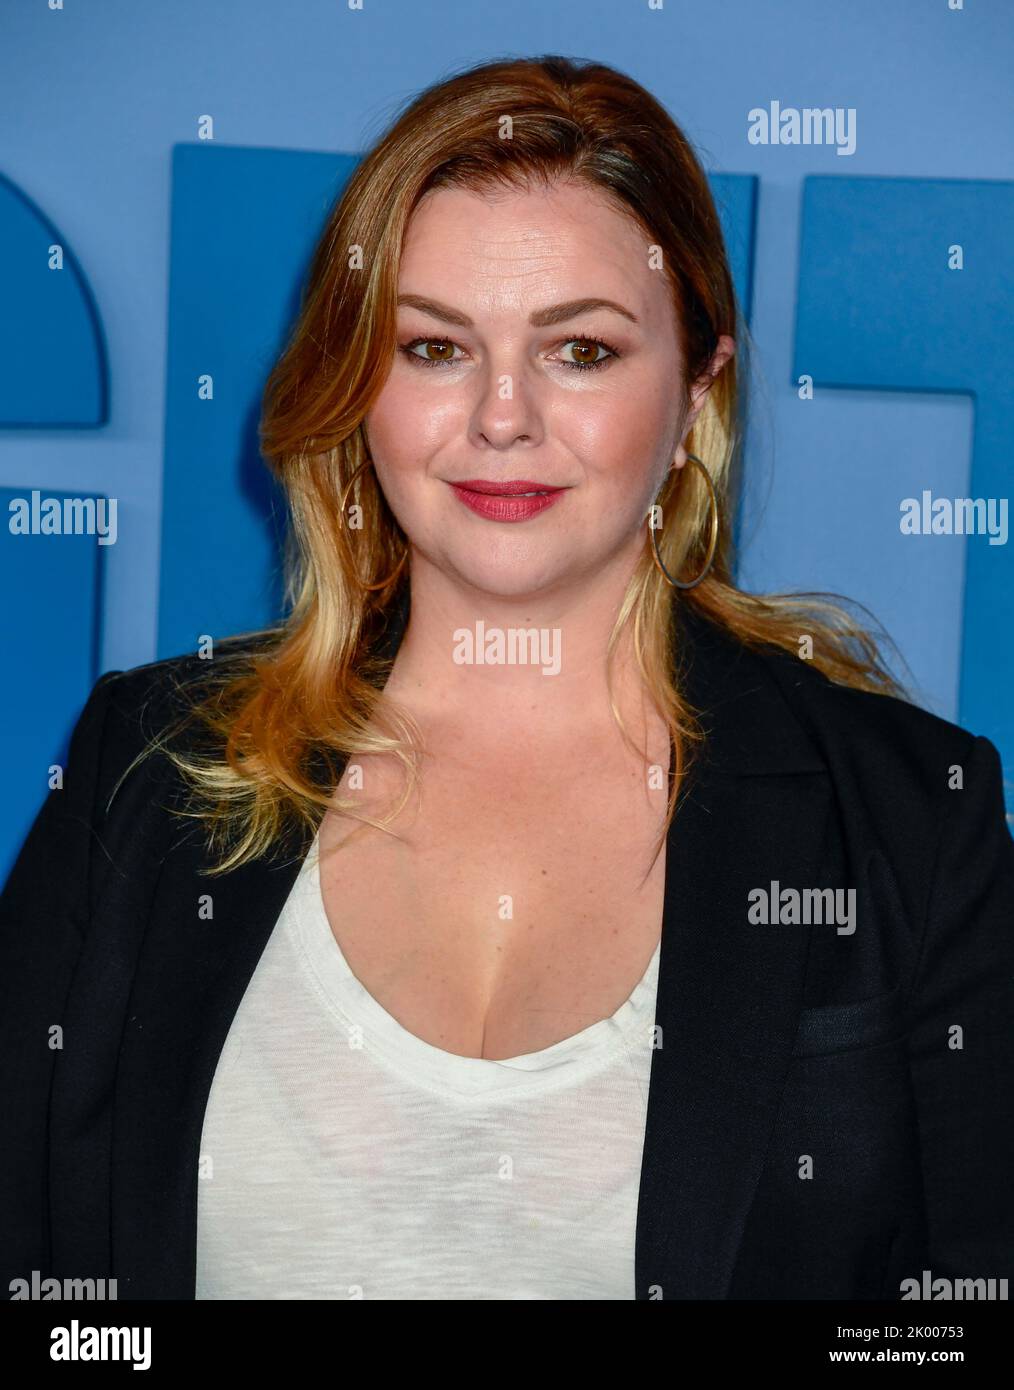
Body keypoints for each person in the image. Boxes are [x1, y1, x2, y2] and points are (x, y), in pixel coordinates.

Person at [2, 54, 1012, 1303]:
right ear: (357, 383)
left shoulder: (910, 820)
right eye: (433, 347)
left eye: (580, 350)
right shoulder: (144, 768)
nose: (500, 416)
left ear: (699, 389)